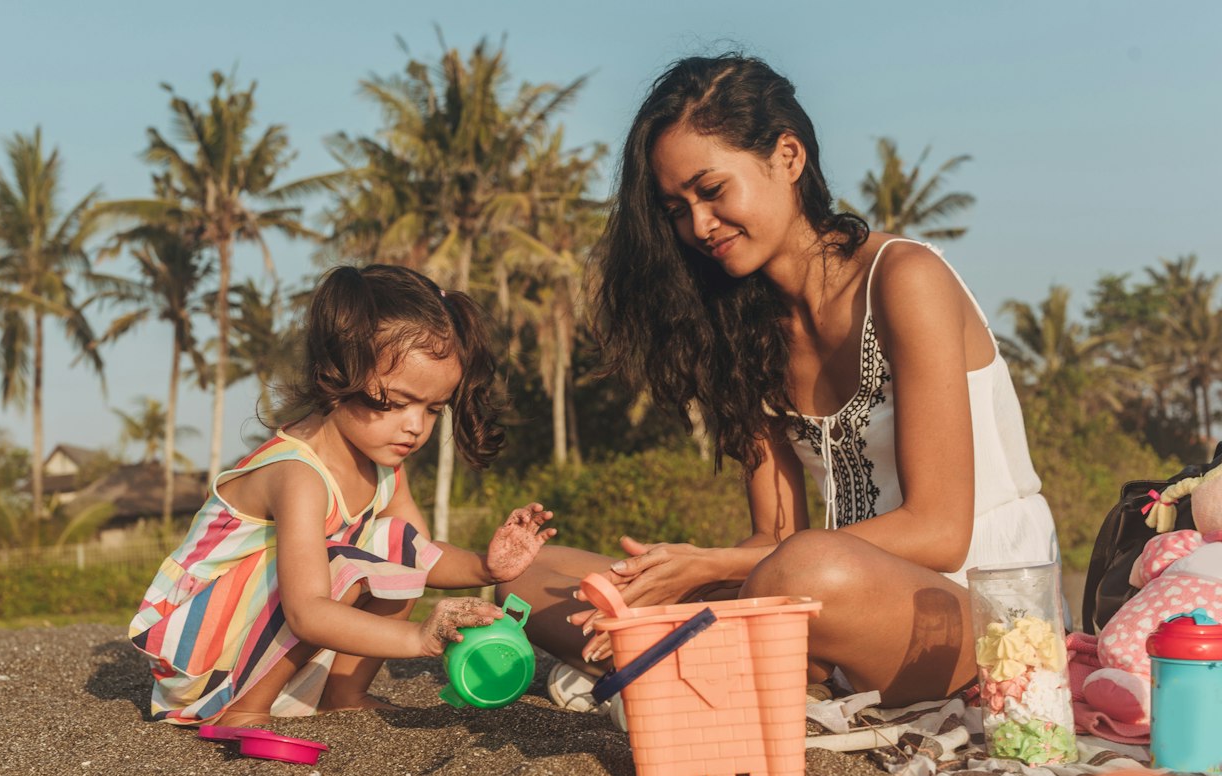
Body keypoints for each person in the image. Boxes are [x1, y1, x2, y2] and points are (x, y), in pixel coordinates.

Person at [502, 53, 1057, 709]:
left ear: (788, 157)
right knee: (531, 574)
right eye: (676, 208)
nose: (698, 226)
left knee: (805, 566)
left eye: (712, 191)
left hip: (975, 620)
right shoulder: (740, 327)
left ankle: (679, 667)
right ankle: (710, 664)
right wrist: (673, 572)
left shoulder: (906, 280)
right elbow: (773, 534)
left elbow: (939, 532)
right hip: (813, 602)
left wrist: (714, 565)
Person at [130, 264, 557, 726]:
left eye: (433, 409)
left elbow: (420, 555)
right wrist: (419, 639)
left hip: (256, 646)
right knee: (347, 561)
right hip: (199, 652)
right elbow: (308, 613)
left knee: (392, 549)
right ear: (336, 375)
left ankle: (344, 692)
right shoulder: (297, 474)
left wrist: (484, 567)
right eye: (394, 403)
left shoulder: (386, 466)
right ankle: (242, 711)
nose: (415, 426)